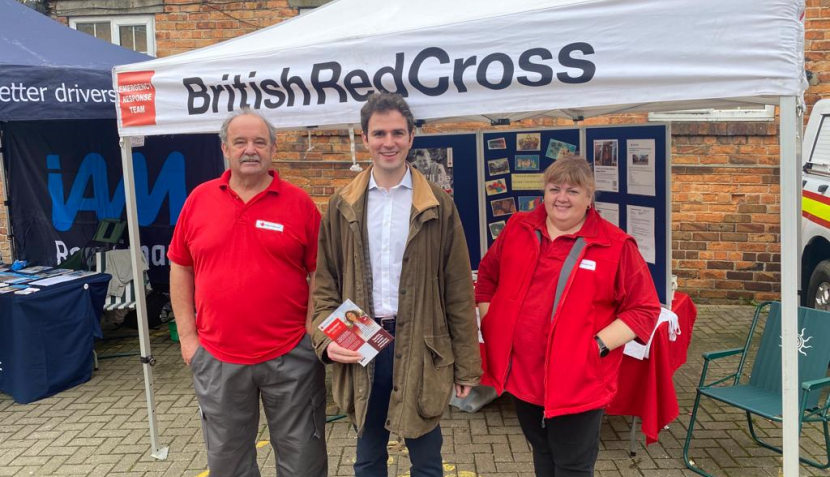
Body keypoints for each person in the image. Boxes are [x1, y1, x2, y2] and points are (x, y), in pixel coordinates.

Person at [312, 92, 481, 477]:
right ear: (365, 137)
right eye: (380, 133)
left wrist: (467, 367)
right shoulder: (342, 204)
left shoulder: (437, 203)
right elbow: (324, 285)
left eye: (398, 133)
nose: (389, 142)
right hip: (363, 339)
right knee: (368, 456)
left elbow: (457, 288)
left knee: (426, 458)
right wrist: (326, 340)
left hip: (421, 341)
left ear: (411, 137)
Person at [476, 155, 660, 477]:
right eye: (554, 188)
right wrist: (493, 324)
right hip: (523, 376)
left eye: (573, 191)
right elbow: (487, 279)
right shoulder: (518, 228)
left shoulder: (614, 245)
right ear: (543, 193)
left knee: (572, 466)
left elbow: (644, 308)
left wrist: (597, 347)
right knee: (543, 454)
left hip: (578, 380)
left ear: (590, 198)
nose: (562, 198)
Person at [168, 109, 326, 477]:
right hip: (218, 357)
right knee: (228, 463)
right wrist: (188, 339)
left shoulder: (299, 203)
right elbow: (180, 266)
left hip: (291, 356)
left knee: (304, 459)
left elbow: (320, 272)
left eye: (259, 142)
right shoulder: (199, 200)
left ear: (273, 148)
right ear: (225, 148)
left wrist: (309, 331)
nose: (249, 150)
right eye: (240, 142)